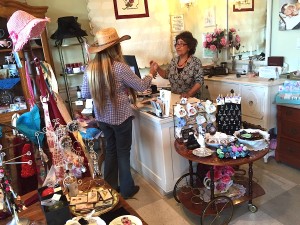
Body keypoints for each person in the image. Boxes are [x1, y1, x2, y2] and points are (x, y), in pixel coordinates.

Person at [81, 27, 156, 198]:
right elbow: (143, 86)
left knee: (111, 151)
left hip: (103, 119)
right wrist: (151, 73)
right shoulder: (120, 68)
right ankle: (127, 189)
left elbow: (85, 94)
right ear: (116, 47)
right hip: (121, 117)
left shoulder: (90, 68)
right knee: (123, 153)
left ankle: (110, 188)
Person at [150, 31, 204, 98]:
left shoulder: (195, 62)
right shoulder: (174, 61)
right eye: (177, 44)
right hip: (175, 98)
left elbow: (199, 82)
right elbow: (166, 75)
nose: (178, 47)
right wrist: (157, 68)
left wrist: (188, 94)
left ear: (189, 47)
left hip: (191, 100)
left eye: (181, 44)